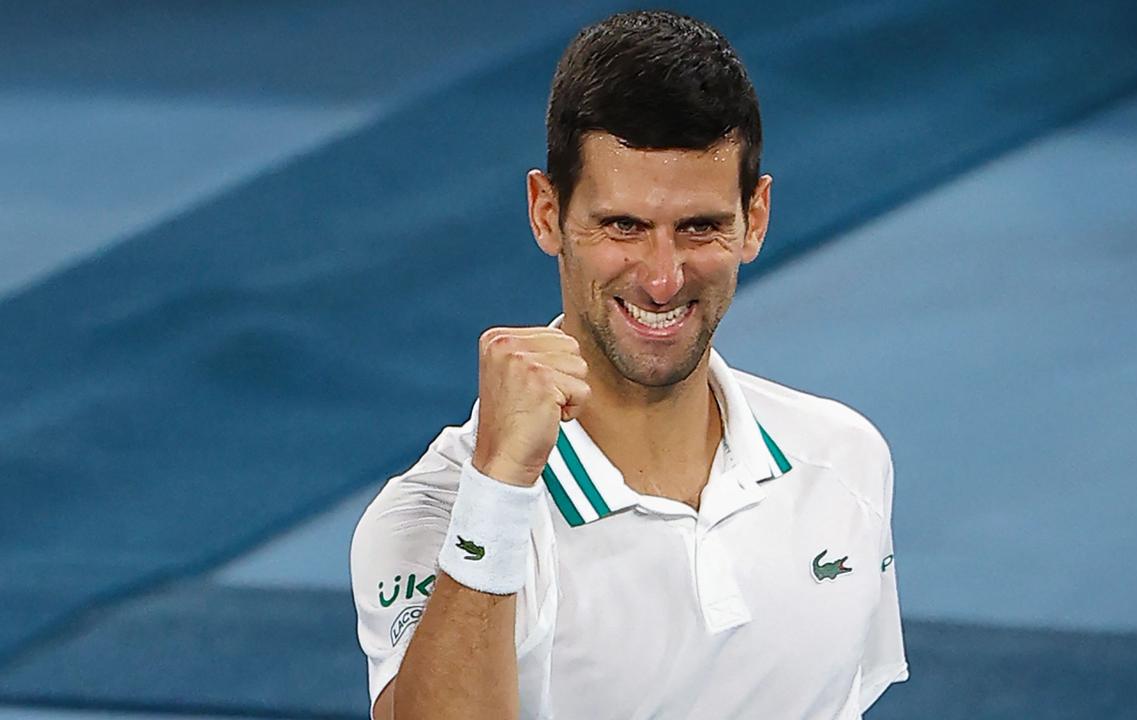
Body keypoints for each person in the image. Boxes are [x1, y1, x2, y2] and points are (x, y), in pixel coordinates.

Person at [350, 10, 908, 719]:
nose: (664, 277)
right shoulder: (434, 514)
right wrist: (495, 494)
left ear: (755, 219)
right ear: (547, 213)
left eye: (699, 227)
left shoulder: (845, 462)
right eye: (624, 227)